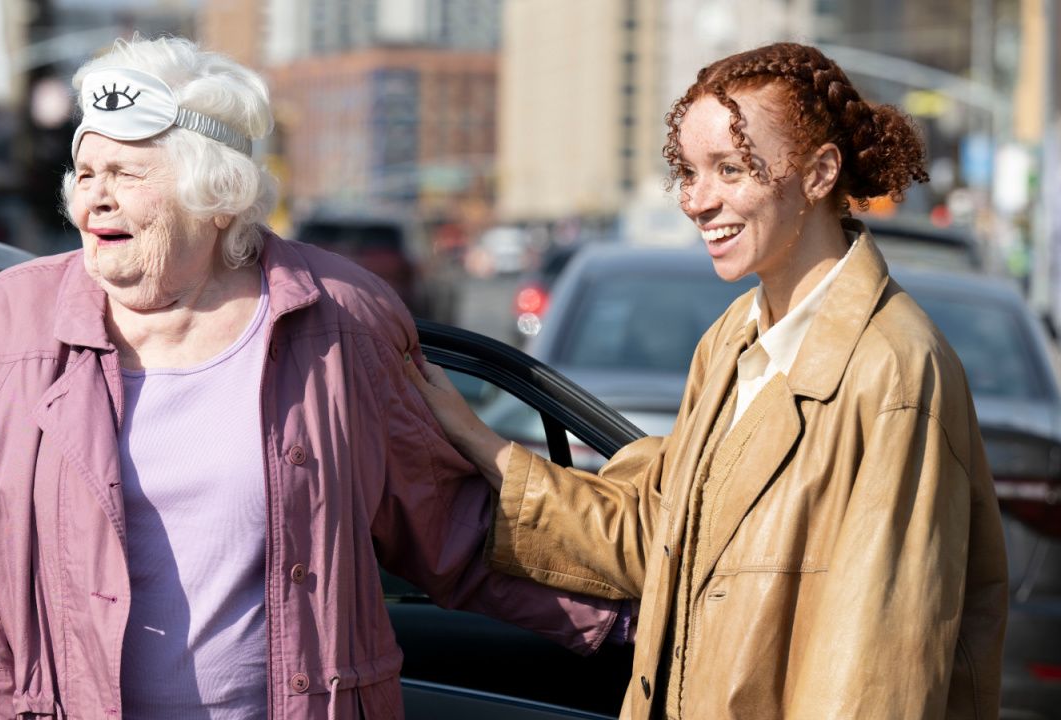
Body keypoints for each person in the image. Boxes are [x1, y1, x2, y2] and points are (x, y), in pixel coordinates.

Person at [0, 36, 621, 719]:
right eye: (85, 173)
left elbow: (450, 527)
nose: (93, 199)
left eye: (126, 175)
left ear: (215, 197)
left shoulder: (343, 321)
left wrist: (641, 619)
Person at [407, 42, 1008, 719]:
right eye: (688, 172)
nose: (696, 201)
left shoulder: (892, 370)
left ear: (819, 173)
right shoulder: (733, 340)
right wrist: (476, 439)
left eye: (730, 168)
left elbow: (878, 677)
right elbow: (656, 536)